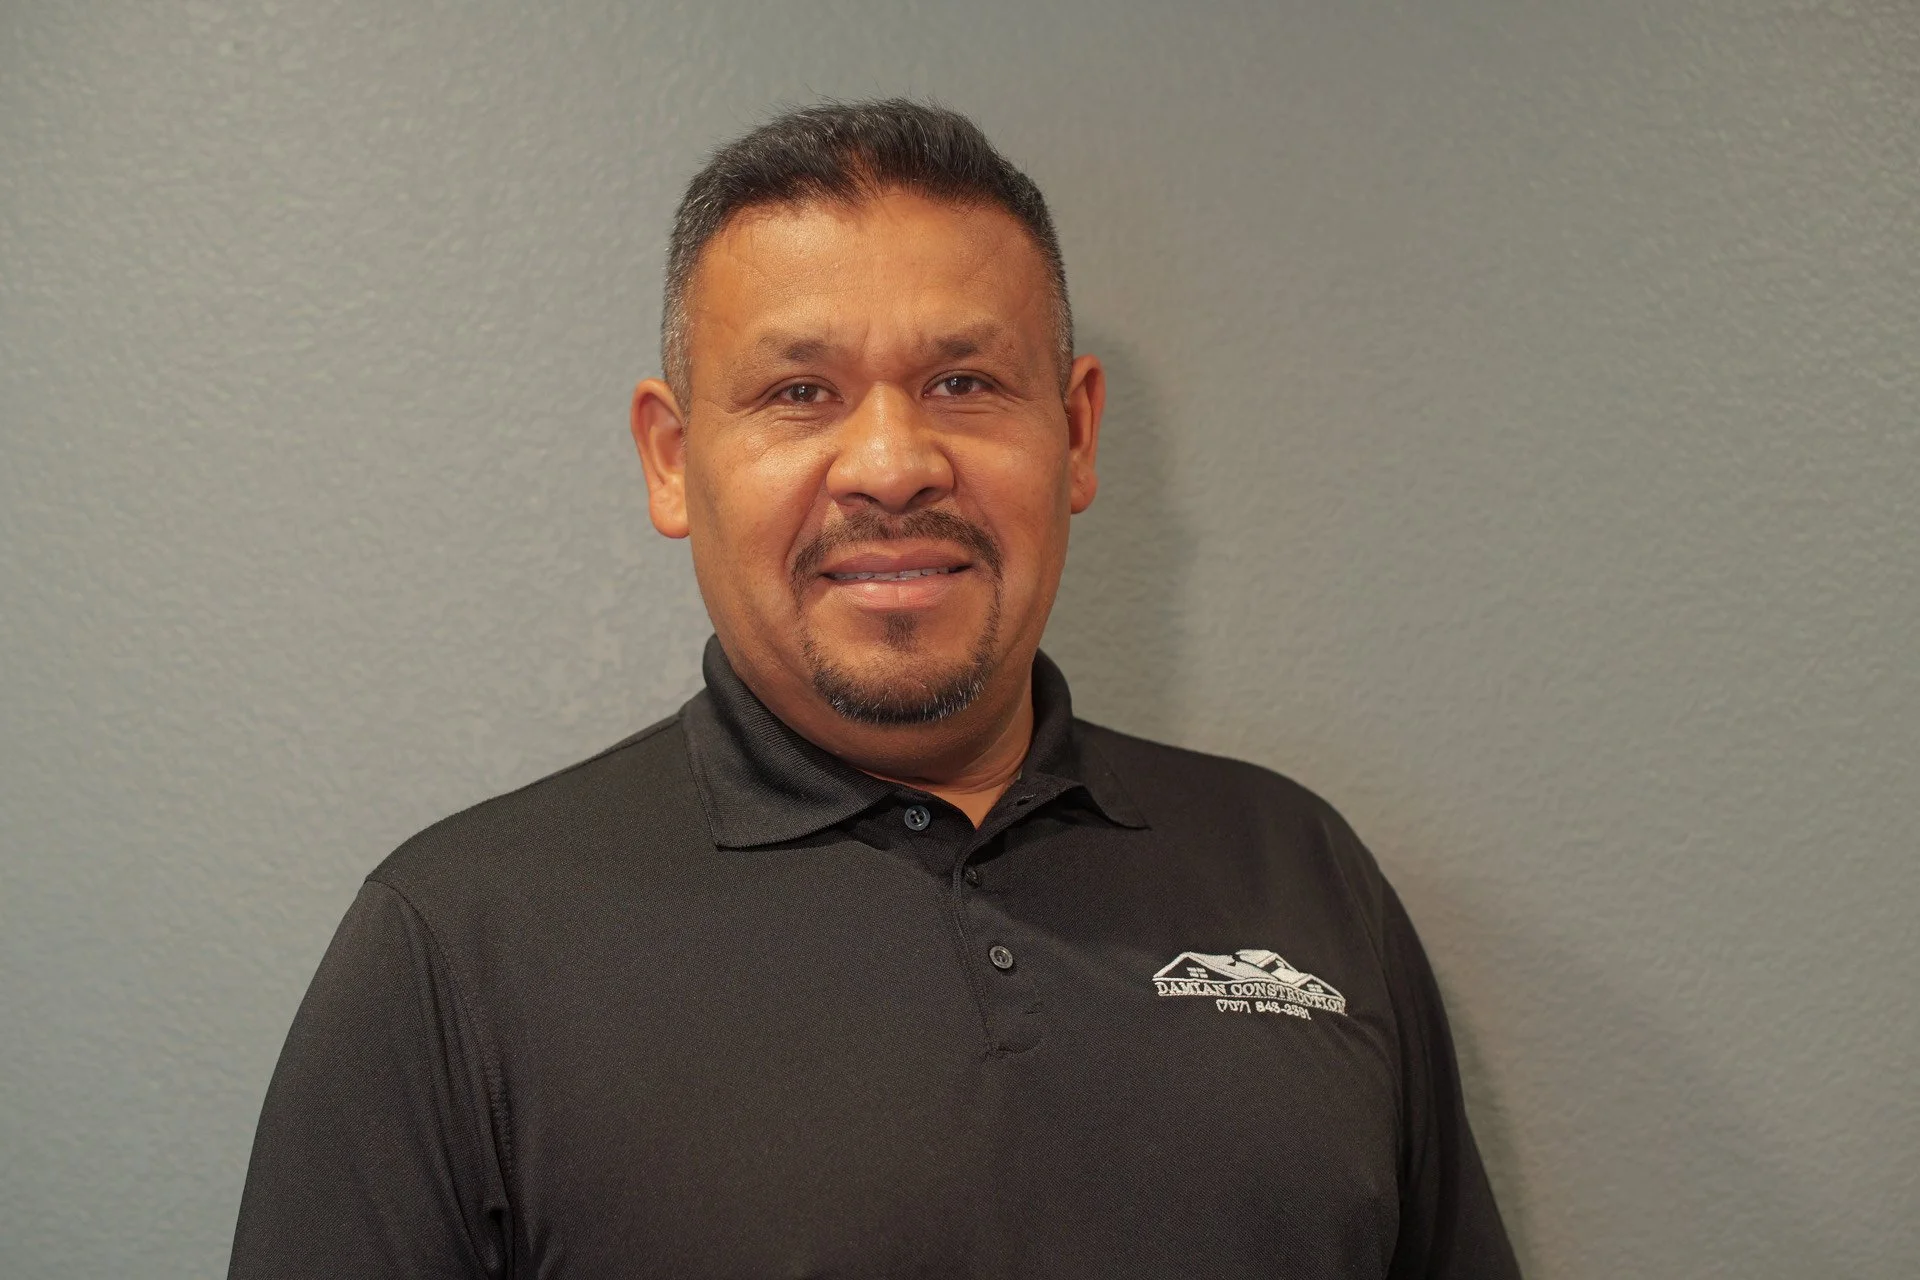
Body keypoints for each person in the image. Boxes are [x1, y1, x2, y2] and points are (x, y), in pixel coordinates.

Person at [228, 99, 1520, 1279]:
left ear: (1073, 433)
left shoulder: (1296, 871)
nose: (893, 465)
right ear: (674, 461)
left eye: (964, 383)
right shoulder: (459, 946)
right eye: (801, 394)